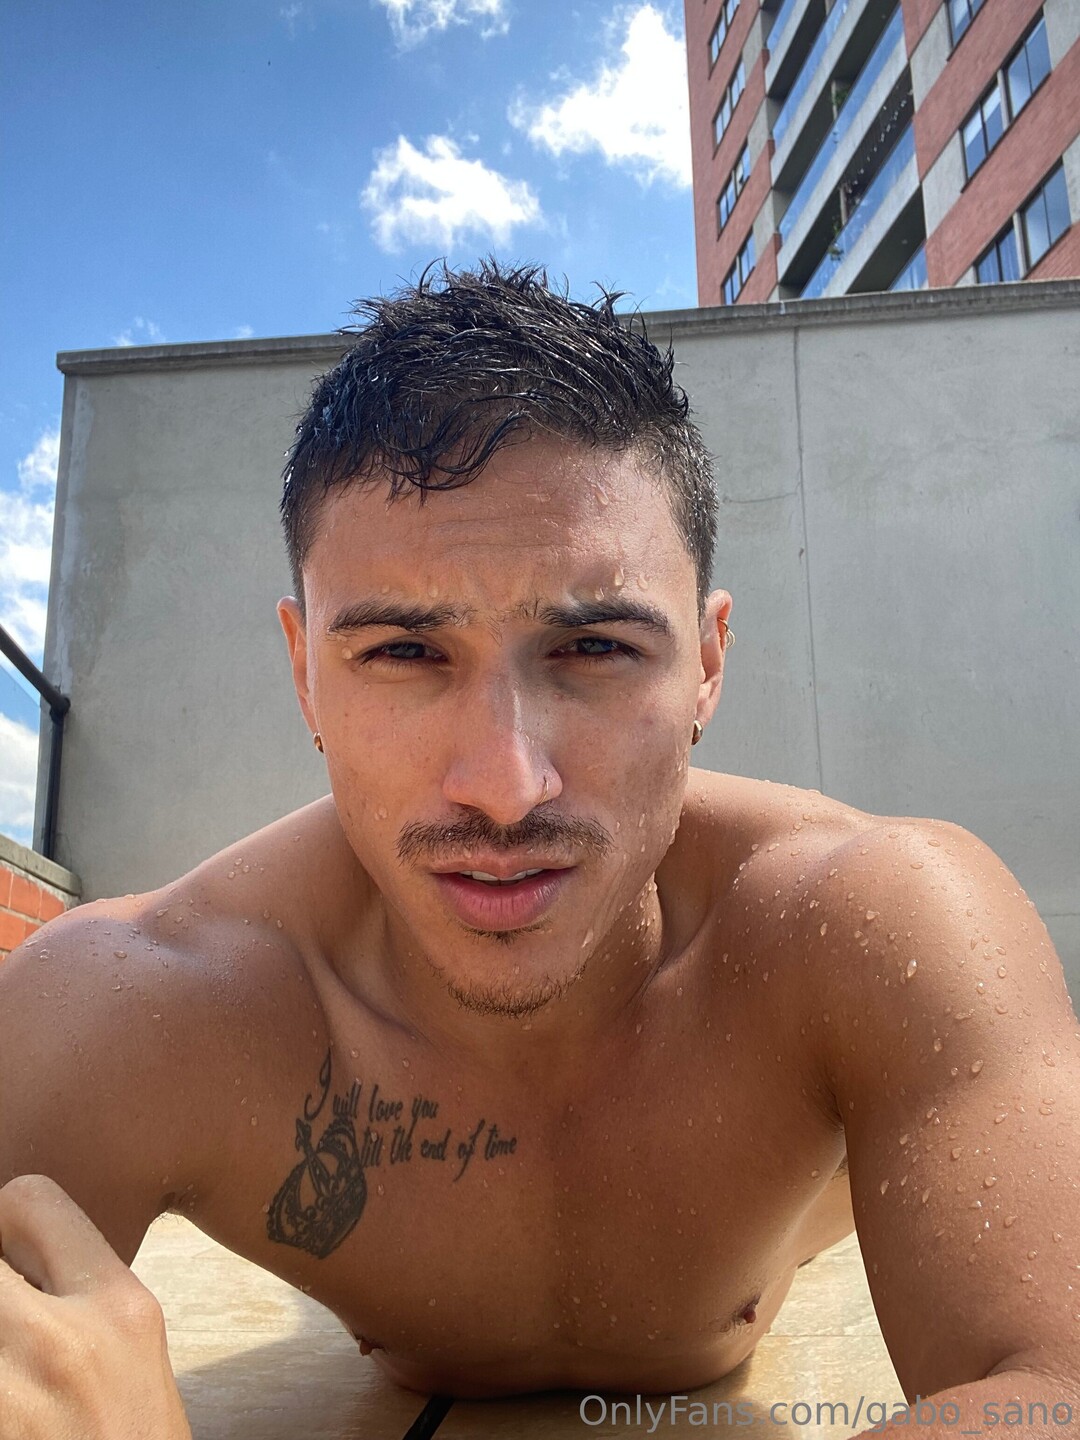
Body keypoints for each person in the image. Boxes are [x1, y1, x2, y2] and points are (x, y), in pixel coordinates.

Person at [1, 262, 1078, 1439]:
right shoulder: (138, 1008)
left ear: (708, 661)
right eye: (402, 653)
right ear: (304, 671)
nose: (507, 787)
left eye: (596, 648)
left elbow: (1053, 1392)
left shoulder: (873, 923)